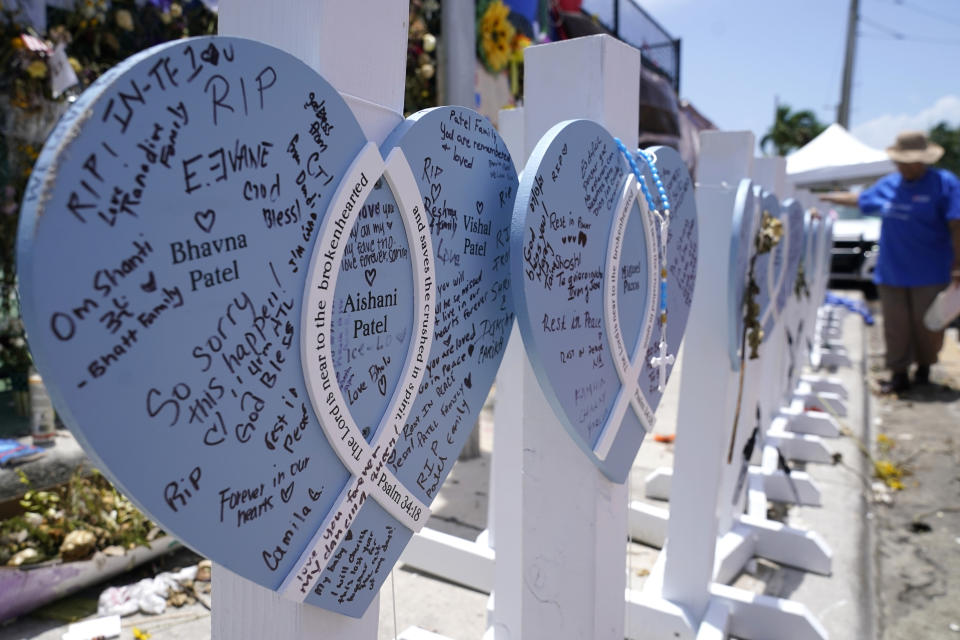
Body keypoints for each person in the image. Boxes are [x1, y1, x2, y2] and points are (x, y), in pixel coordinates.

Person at [824, 131, 960, 393]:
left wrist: (958, 265)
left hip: (931, 270)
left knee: (929, 325)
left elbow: (957, 225)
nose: (905, 167)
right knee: (896, 325)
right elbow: (860, 199)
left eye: (911, 162)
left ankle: (924, 367)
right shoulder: (890, 184)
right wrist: (824, 198)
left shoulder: (944, 184)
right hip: (892, 269)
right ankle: (898, 373)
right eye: (901, 162)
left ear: (925, 161)